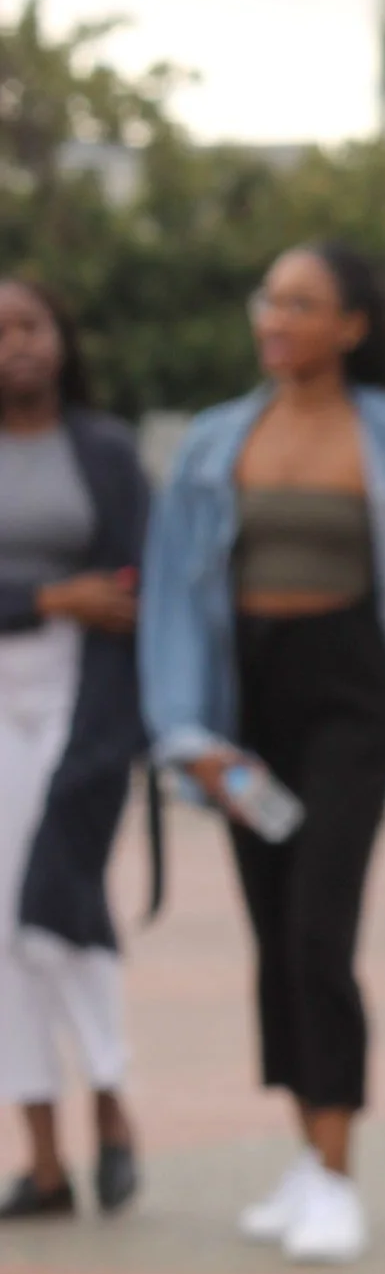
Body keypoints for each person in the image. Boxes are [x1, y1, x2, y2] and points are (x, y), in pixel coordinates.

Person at [140, 240, 385, 1263]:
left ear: (350, 326)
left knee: (319, 931)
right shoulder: (217, 440)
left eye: (301, 303)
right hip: (244, 711)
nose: (275, 317)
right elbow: (175, 600)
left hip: (351, 701)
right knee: (273, 935)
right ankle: (306, 1159)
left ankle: (339, 1176)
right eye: (269, 298)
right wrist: (188, 735)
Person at [0, 279, 149, 1219]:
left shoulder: (105, 451)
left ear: (61, 338)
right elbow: (77, 590)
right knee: (2, 935)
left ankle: (111, 1102)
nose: (15, 343)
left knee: (61, 909)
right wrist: (49, 598)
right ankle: (44, 1156)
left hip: (83, 701)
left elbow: (141, 580)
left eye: (30, 324)